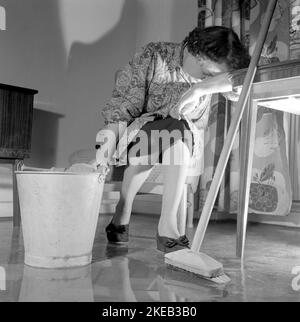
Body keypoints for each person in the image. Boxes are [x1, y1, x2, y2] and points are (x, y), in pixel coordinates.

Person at [96, 26, 250, 253]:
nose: (212, 80)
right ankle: (134, 213)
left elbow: (243, 80)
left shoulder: (210, 80)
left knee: (177, 128)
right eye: (209, 74)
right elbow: (121, 109)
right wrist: (102, 155)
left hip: (183, 142)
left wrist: (201, 88)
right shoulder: (154, 56)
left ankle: (158, 223)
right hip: (138, 137)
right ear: (198, 55)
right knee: (172, 128)